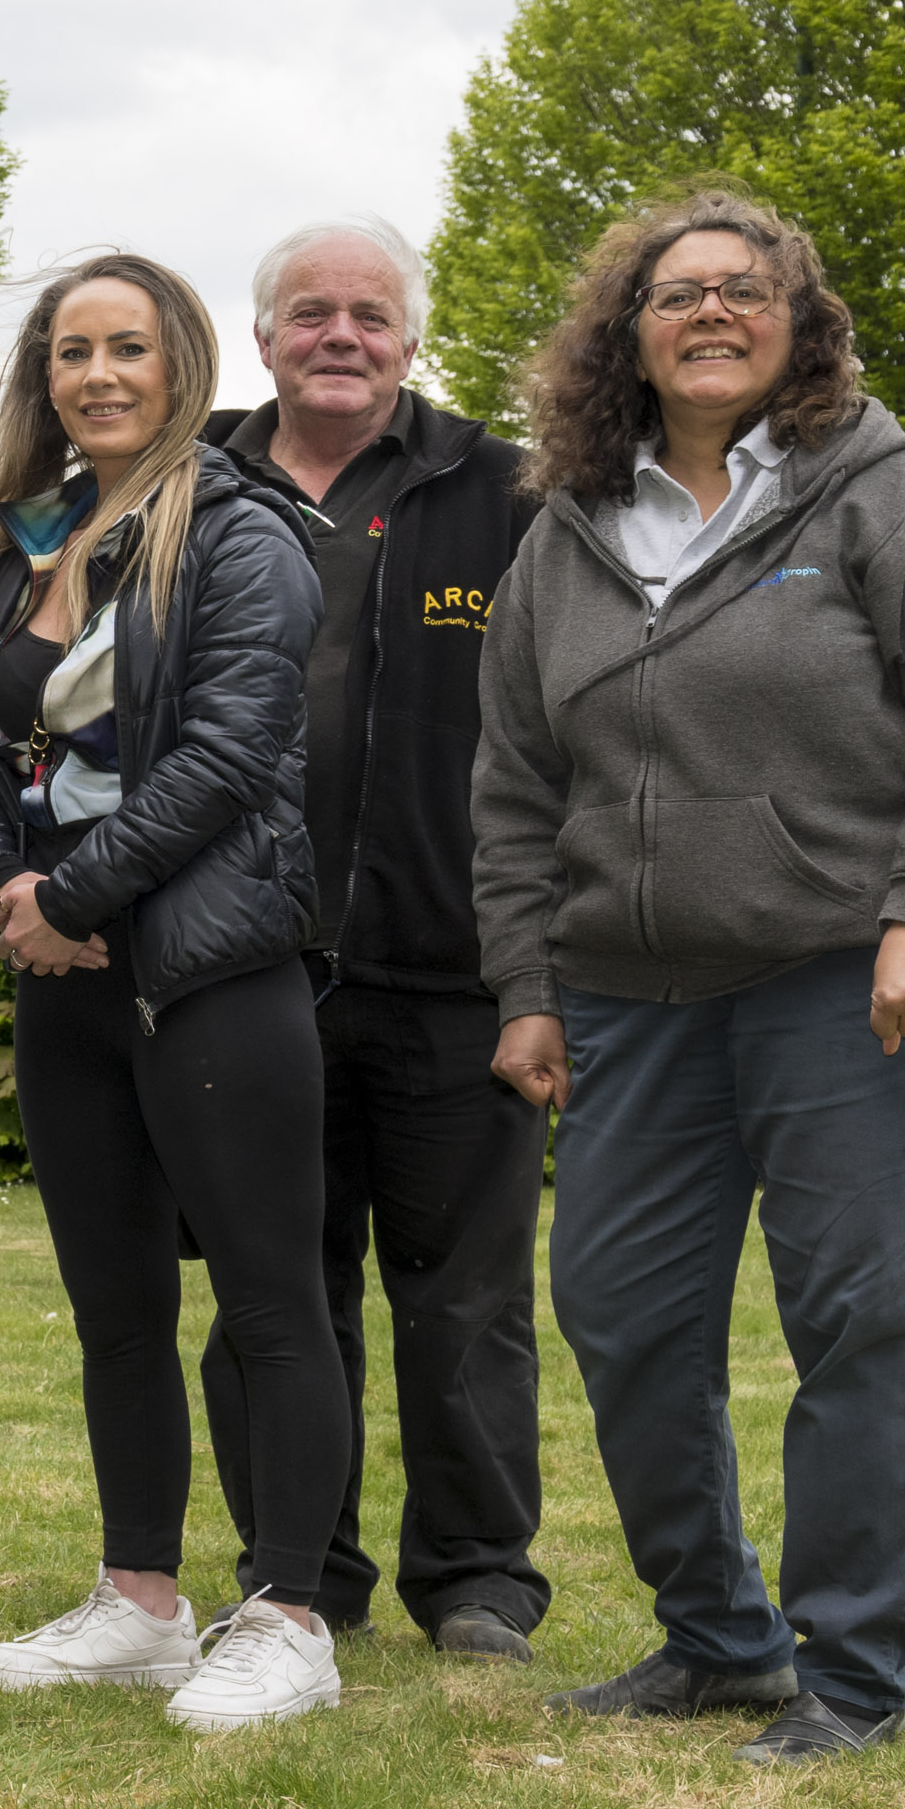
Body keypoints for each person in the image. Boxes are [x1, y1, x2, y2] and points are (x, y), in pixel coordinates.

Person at [472, 192, 905, 1763]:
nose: (709, 312)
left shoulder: (878, 489)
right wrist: (527, 982)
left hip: (841, 983)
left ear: (800, 320)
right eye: (675, 293)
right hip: (628, 999)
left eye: (745, 288)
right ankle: (718, 1640)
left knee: (855, 1318)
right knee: (618, 1312)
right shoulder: (568, 531)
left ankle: (849, 1674)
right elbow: (514, 785)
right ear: (625, 335)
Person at [0, 251, 359, 1733]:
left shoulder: (246, 535)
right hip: (64, 981)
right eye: (71, 351)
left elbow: (228, 755)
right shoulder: (25, 537)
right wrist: (6, 896)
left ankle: (293, 1614)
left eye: (128, 347)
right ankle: (140, 1604)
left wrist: (70, 895)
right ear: (41, 377)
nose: (98, 374)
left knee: (268, 1301)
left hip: (209, 971)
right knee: (112, 1309)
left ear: (180, 364)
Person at [190, 219, 555, 1660]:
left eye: (369, 314)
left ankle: (476, 1579)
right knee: (273, 1291)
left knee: (463, 1297)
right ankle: (300, 1574)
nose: (338, 335)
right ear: (264, 333)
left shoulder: (511, 491)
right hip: (242, 971)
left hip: (455, 968)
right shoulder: (186, 481)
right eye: (308, 313)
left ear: (412, 339)